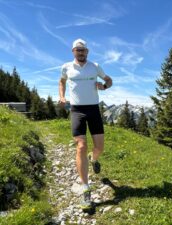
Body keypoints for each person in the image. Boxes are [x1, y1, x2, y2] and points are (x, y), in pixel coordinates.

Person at [58, 38, 112, 209]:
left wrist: (103, 86)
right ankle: (85, 189)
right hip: (76, 110)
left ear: (87, 51)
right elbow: (62, 81)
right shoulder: (66, 67)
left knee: (99, 148)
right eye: (77, 49)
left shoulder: (95, 66)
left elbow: (109, 81)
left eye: (83, 50)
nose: (80, 52)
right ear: (73, 51)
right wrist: (62, 97)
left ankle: (93, 159)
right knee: (81, 146)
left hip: (94, 109)